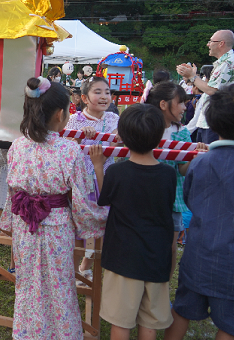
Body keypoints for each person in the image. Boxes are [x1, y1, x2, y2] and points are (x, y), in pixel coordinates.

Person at [0, 76, 108, 339]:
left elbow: (12, 193)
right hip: (57, 227)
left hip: (25, 226)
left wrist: (8, 222)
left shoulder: (17, 146)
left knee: (28, 286)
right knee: (59, 287)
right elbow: (82, 201)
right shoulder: (69, 150)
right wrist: (102, 217)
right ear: (61, 114)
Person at [164, 83, 234, 340]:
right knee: (231, 325)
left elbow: (190, 198)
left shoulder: (199, 162)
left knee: (182, 311)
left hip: (197, 255)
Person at [97, 103, 177, 340]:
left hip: (123, 256)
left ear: (124, 137)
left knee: (121, 322)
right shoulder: (168, 174)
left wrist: (98, 166)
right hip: (157, 256)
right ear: (158, 136)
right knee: (149, 323)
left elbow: (105, 199)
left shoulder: (117, 172)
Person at [145, 82, 208, 277]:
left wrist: (194, 158)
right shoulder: (144, 129)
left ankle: (163, 284)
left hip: (173, 199)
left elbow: (183, 170)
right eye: (181, 103)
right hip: (146, 197)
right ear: (163, 104)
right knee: (147, 244)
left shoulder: (182, 133)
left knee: (171, 247)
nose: (184, 107)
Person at [64, 76, 119, 282]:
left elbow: (121, 142)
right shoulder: (75, 119)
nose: (104, 96)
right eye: (98, 92)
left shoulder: (114, 119)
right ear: (85, 98)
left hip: (104, 177)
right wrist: (79, 135)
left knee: (102, 222)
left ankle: (86, 266)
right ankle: (72, 269)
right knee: (78, 224)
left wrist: (117, 135)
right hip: (81, 180)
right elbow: (67, 145)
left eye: (107, 92)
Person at [176, 30, 234, 144]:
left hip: (218, 121)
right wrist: (192, 75)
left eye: (210, 41)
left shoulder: (228, 63)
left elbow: (212, 90)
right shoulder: (225, 62)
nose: (208, 44)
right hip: (211, 121)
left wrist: (192, 76)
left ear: (221, 43)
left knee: (213, 158)